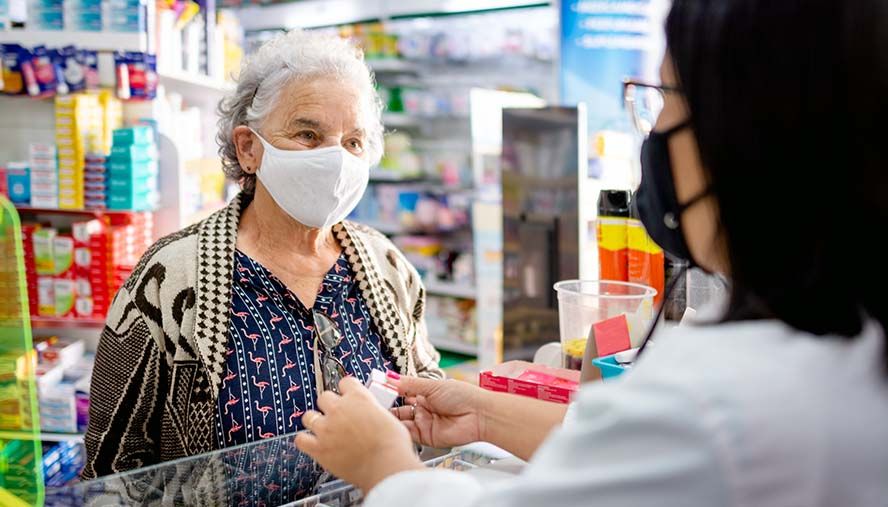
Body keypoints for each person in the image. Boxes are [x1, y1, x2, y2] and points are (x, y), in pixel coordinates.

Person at [294, 1, 888, 505]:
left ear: (746, 135)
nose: (653, 138)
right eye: (306, 135)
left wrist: (385, 468)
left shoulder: (725, 397)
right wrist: (486, 415)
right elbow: (639, 457)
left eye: (667, 101)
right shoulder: (845, 348)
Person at [82, 30, 443, 480]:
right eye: (308, 134)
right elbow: (111, 466)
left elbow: (428, 397)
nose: (335, 160)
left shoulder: (387, 266)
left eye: (353, 142)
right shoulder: (167, 280)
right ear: (248, 148)